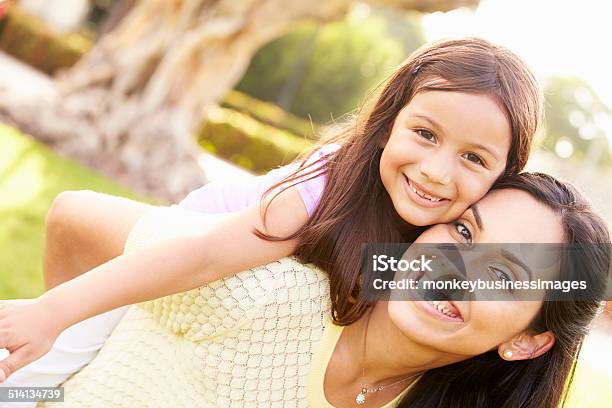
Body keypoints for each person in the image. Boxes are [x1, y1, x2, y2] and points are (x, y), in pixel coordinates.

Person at [0, 36, 544, 384]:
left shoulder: (453, 236)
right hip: (186, 248)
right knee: (48, 372)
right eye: (424, 133)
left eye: (473, 157)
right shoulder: (325, 188)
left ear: (505, 176)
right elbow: (200, 257)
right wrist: (55, 311)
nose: (435, 170)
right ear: (388, 125)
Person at [16, 173, 612, 407]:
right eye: (462, 229)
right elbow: (74, 217)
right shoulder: (264, 289)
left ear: (530, 342)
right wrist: (55, 366)